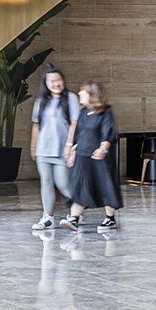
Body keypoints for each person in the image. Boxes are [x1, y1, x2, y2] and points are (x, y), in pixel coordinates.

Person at [63, 81, 121, 233]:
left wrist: (103, 148)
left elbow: (108, 131)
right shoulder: (83, 112)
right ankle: (74, 219)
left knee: (105, 186)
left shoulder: (105, 112)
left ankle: (110, 219)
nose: (79, 94)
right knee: (82, 186)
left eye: (83, 92)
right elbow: (79, 134)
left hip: (99, 158)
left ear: (92, 94)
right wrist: (72, 151)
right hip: (83, 156)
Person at [28, 67, 80, 231]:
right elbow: (36, 126)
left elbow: (74, 123)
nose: (56, 84)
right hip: (43, 150)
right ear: (46, 83)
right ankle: (47, 216)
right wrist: (33, 146)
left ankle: (80, 205)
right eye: (52, 81)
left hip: (61, 150)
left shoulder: (71, 98)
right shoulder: (40, 102)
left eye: (59, 80)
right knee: (46, 182)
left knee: (63, 183)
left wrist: (69, 145)